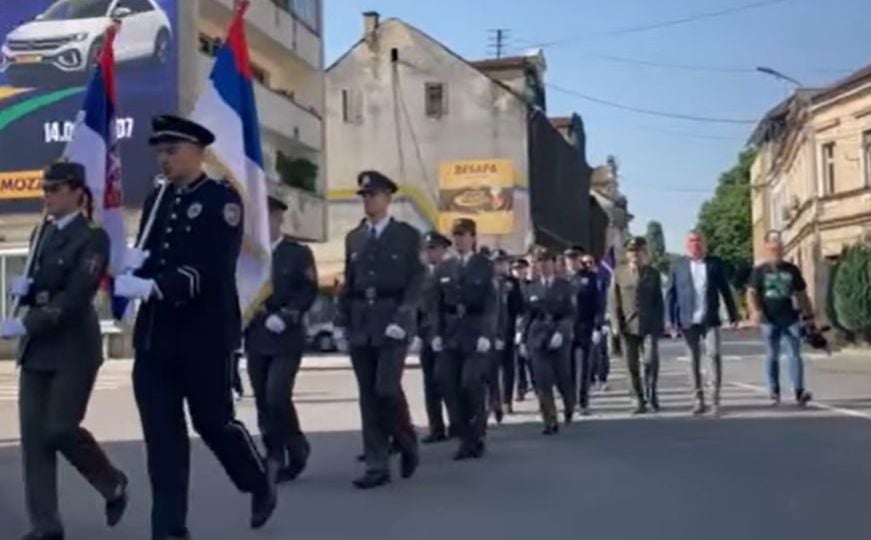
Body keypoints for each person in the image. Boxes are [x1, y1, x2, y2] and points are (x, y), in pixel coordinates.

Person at [114, 115, 276, 539]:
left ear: (198, 151)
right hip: (156, 340)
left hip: (202, 336)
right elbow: (151, 251)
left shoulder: (223, 200)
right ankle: (169, 529)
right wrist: (135, 264)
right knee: (163, 441)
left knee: (213, 422)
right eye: (160, 152)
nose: (164, 159)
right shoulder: (158, 199)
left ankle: (257, 480)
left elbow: (208, 267)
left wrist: (153, 286)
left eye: (172, 151)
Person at [0, 162, 129, 540]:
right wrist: (24, 289)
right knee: (34, 440)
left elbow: (76, 297)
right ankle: (45, 525)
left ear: (76, 192)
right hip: (38, 351)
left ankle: (111, 482)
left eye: (55, 189)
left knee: (59, 428)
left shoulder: (92, 238)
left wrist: (27, 322)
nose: (48, 196)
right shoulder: (43, 232)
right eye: (45, 190)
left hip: (73, 346)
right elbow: (44, 285)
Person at [334, 170, 423, 489]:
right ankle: (377, 464)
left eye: (373, 195)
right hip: (361, 321)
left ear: (388, 198)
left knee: (386, 388)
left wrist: (403, 319)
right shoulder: (355, 238)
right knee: (368, 396)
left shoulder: (407, 236)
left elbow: (416, 282)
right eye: (364, 196)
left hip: (391, 320)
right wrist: (340, 321)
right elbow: (349, 283)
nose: (368, 200)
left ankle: (406, 439)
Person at [244, 187, 318, 482]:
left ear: (278, 219)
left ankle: (296, 444)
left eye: (266, 218)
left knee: (277, 394)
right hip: (257, 334)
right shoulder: (249, 256)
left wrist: (288, 315)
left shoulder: (296, 253)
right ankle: (274, 455)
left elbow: (308, 289)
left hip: (286, 336)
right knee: (262, 398)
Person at [431, 218, 496, 459]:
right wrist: (435, 333)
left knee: (470, 382)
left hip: (475, 331)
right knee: (446, 381)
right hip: (451, 334)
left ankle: (476, 434)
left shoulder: (484, 265)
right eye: (456, 234)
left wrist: (487, 334)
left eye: (464, 234)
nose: (459, 239)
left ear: (473, 237)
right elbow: (435, 304)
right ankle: (463, 432)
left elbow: (492, 303)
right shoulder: (444, 268)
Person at [666, 232, 739, 415]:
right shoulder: (678, 266)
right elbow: (670, 294)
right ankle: (698, 398)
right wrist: (670, 320)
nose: (695, 244)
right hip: (687, 319)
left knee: (713, 355)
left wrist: (733, 314)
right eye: (691, 241)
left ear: (704, 244)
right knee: (692, 360)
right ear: (686, 245)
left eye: (698, 241)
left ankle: (714, 398)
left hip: (710, 318)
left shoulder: (714, 263)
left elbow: (725, 290)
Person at [747, 232, 814, 407]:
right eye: (773, 249)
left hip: (790, 318)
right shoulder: (759, 271)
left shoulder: (792, 270)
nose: (776, 252)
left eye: (779, 249)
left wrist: (808, 316)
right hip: (769, 320)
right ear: (766, 249)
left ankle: (799, 391)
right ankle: (774, 391)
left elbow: (801, 294)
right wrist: (756, 311)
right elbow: (751, 292)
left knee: (795, 355)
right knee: (772, 356)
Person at [610, 237, 665, 414]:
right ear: (627, 254)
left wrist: (661, 324)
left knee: (651, 361)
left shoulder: (652, 273)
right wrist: (615, 325)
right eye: (632, 251)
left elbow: (658, 301)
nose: (635, 254)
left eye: (638, 251)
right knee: (631, 365)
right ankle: (637, 399)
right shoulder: (619, 273)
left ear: (644, 253)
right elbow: (614, 302)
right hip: (628, 325)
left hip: (649, 325)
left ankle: (652, 393)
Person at [523, 249, 576, 434]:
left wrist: (562, 332)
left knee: (563, 377)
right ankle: (550, 420)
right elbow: (527, 315)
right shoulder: (531, 287)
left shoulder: (565, 286)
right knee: (542, 380)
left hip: (558, 335)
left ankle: (569, 405)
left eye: (547, 261)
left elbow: (570, 313)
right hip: (537, 337)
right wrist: (521, 338)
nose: (543, 265)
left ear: (554, 264)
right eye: (540, 262)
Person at [418, 231, 454, 443]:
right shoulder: (421, 275)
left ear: (443, 249)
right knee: (430, 384)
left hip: (447, 334)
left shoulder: (451, 270)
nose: (430, 253)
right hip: (426, 334)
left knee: (448, 381)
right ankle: (436, 427)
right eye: (427, 249)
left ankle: (456, 424)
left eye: (433, 248)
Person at [565, 247, 602, 416]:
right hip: (566, 328)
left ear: (579, 259)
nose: (571, 261)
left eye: (574, 258)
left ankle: (583, 401)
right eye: (568, 258)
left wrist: (598, 326)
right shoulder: (563, 279)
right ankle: (570, 400)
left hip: (585, 326)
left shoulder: (591, 277)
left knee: (584, 366)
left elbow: (597, 303)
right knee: (568, 366)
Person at [491, 250, 524, 416]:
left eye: (503, 262)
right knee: (491, 369)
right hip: (490, 331)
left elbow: (519, 306)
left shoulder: (513, 282)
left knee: (508, 368)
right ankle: (493, 400)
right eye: (497, 262)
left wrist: (518, 328)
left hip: (508, 330)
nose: (501, 265)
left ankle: (506, 400)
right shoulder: (487, 281)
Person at [511, 258, 534, 400]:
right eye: (516, 269)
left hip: (530, 325)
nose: (519, 271)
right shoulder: (510, 286)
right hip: (514, 326)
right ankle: (520, 387)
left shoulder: (531, 286)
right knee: (517, 360)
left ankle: (536, 386)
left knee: (531, 359)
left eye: (522, 268)